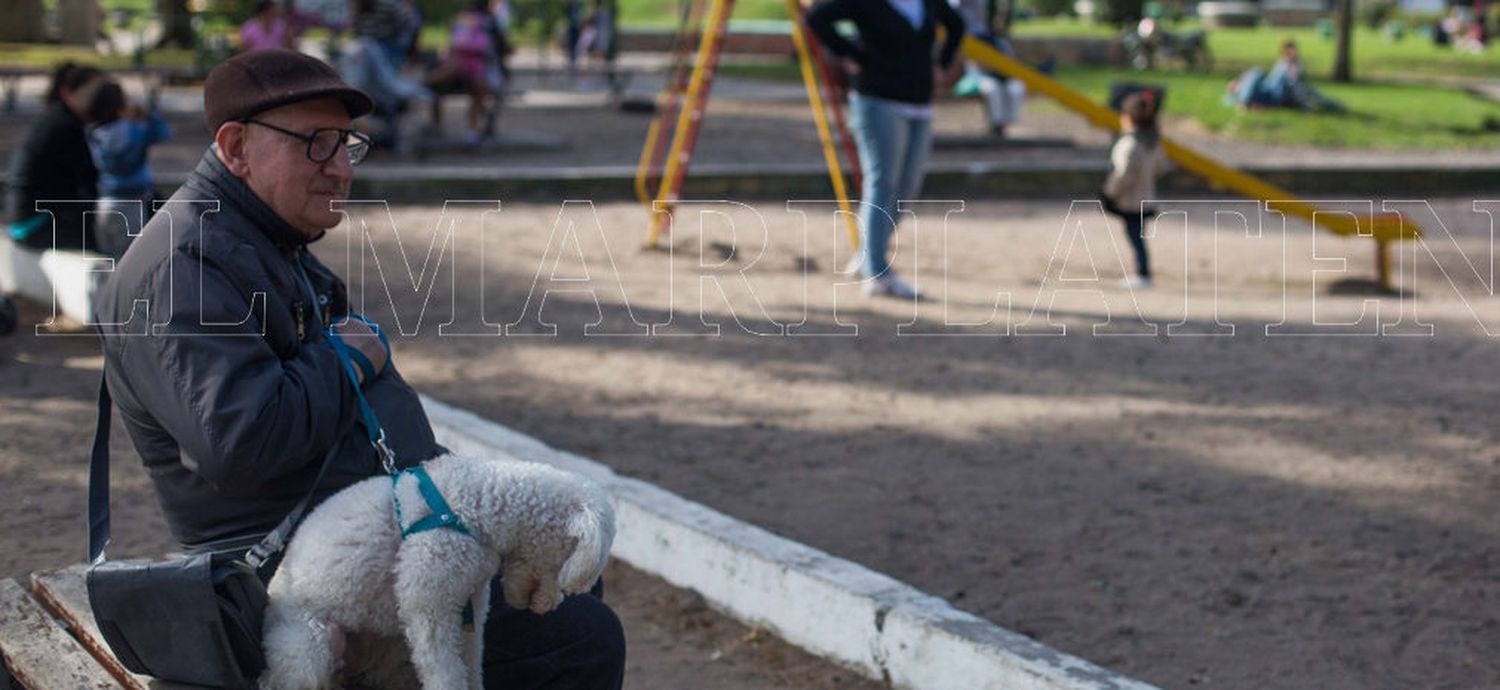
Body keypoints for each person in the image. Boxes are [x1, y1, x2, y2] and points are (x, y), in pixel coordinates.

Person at [93, 49, 625, 689]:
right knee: (580, 637)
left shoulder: (262, 240)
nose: (341, 169)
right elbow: (243, 444)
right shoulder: (183, 268)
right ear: (236, 148)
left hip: (371, 532)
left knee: (568, 563)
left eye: (346, 145)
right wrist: (345, 355)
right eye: (316, 145)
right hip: (301, 584)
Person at [806, 0, 965, 299]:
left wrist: (941, 65)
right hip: (877, 100)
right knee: (882, 183)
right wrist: (851, 54)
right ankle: (877, 272)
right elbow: (817, 18)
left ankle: (868, 254)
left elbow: (955, 25)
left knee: (907, 187)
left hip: (919, 102)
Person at [5, 63, 106, 252]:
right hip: (36, 224)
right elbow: (92, 181)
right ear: (68, 93)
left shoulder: (57, 120)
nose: (101, 101)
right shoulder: (65, 128)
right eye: (95, 94)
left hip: (26, 221)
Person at [87, 81, 172, 259]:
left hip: (106, 201)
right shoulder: (134, 131)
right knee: (131, 258)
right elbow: (163, 132)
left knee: (109, 257)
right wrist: (147, 115)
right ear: (121, 107)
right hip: (133, 201)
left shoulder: (94, 135)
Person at [1100, 91, 1169, 290]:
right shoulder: (1154, 144)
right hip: (1147, 197)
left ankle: (1142, 272)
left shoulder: (1129, 144)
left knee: (1134, 236)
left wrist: (1109, 193)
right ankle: (1142, 271)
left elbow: (1123, 175)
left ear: (1128, 118)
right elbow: (1160, 168)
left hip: (1130, 200)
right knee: (1138, 235)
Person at [425, 0, 504, 146]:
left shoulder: (483, 21)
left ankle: (472, 131)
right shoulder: (477, 20)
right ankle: (471, 130)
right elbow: (458, 43)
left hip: (477, 70)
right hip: (464, 69)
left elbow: (461, 44)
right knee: (460, 73)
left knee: (477, 85)